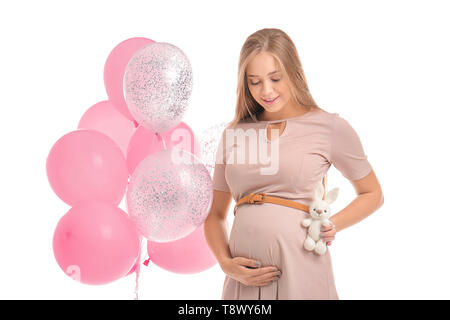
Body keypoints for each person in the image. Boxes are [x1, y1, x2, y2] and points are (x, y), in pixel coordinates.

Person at [203, 28, 384, 300]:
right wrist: (226, 264)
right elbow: (216, 215)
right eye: (254, 82)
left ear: (294, 72)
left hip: (302, 270)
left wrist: (332, 224)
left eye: (276, 78)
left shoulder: (329, 127)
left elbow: (373, 194)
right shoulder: (234, 134)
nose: (266, 91)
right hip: (244, 283)